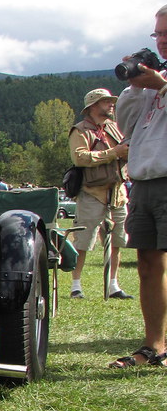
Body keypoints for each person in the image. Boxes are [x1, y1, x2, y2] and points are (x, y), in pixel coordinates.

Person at [110, 4, 167, 367]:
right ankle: (154, 346)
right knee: (147, 263)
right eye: (158, 34)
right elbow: (127, 127)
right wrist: (135, 85)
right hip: (145, 180)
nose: (162, 41)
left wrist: (161, 85)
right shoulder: (153, 81)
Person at [67, 87, 131, 300]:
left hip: (117, 193)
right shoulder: (81, 130)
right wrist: (113, 153)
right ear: (93, 106)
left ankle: (114, 284)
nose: (111, 105)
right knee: (83, 242)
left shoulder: (115, 128)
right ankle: (76, 285)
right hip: (92, 192)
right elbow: (80, 158)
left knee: (117, 241)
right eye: (106, 102)